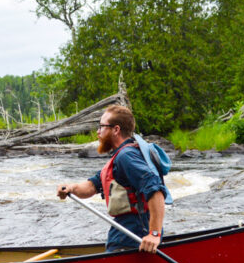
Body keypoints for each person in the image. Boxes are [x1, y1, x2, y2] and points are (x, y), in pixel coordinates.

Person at [57, 104, 167, 253]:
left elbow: (156, 190)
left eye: (102, 126)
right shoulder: (119, 157)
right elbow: (92, 186)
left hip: (134, 233)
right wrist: (71, 188)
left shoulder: (126, 156)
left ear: (116, 129)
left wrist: (154, 234)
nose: (98, 132)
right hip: (126, 231)